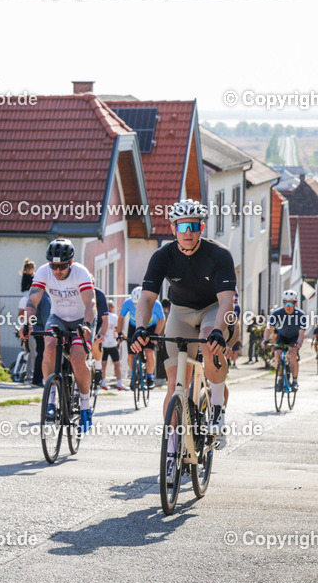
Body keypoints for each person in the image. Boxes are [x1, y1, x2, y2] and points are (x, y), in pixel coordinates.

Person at [132, 199, 236, 472]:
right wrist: (140, 328)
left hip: (212, 309)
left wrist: (218, 331)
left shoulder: (219, 254)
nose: (188, 232)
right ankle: (172, 447)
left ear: (201, 227)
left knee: (210, 342)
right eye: (182, 226)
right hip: (180, 312)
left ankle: (216, 409)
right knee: (175, 385)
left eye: (194, 225)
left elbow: (227, 300)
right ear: (174, 228)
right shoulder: (162, 256)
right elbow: (146, 298)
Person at [26, 238, 97, 431]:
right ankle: (50, 400)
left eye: (62, 266)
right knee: (48, 346)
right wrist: (27, 323)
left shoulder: (80, 273)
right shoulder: (43, 272)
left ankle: (84, 404)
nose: (57, 270)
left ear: (70, 263)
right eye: (54, 266)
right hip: (57, 317)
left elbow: (91, 303)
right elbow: (33, 300)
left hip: (82, 319)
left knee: (76, 358)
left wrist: (87, 324)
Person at [119, 286, 165, 389]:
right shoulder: (127, 303)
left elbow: (162, 319)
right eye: (134, 304)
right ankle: (133, 375)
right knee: (131, 355)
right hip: (134, 327)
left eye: (138, 304)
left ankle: (149, 376)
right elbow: (121, 318)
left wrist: (156, 334)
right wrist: (119, 333)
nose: (136, 307)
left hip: (150, 327)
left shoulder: (156, 304)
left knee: (149, 352)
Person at [264, 290, 307, 391]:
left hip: (294, 337)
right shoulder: (277, 313)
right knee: (277, 354)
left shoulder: (300, 315)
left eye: (290, 303)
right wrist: (265, 340)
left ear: (295, 303)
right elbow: (269, 328)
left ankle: (295, 381)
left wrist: (299, 342)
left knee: (293, 353)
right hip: (282, 336)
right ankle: (280, 379)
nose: (287, 306)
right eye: (285, 303)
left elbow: (302, 333)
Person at [97, 301, 125, 390]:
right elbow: (117, 328)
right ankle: (119, 383)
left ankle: (103, 382)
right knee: (117, 364)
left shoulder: (102, 316)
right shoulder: (114, 317)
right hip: (112, 343)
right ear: (112, 308)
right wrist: (124, 336)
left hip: (103, 343)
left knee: (103, 364)